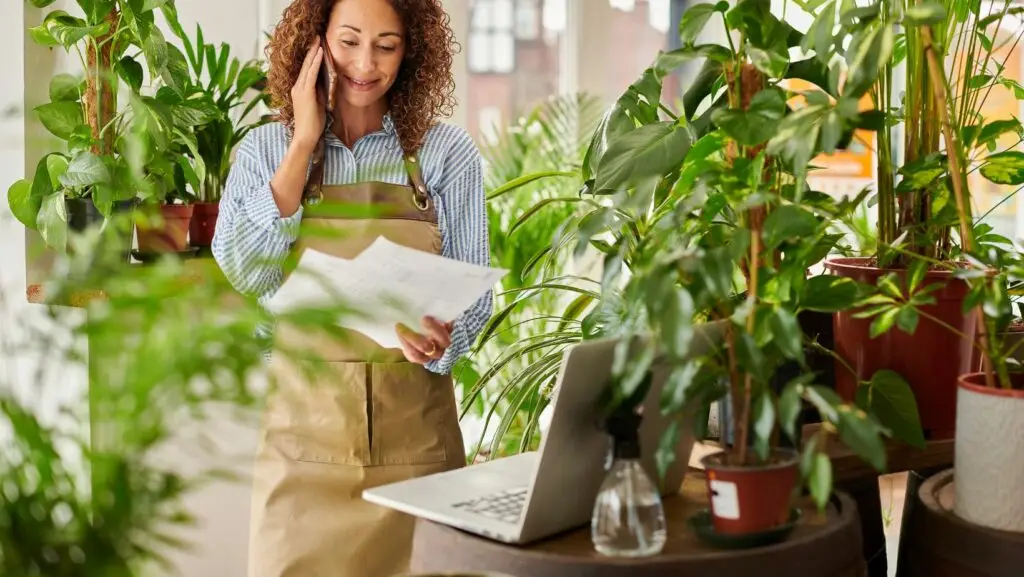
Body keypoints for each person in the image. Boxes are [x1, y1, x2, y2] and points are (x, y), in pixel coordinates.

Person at [210, 0, 492, 574]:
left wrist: (445, 339)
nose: (367, 64)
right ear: (314, 44)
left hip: (418, 461)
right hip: (300, 458)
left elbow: (475, 296)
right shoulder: (265, 151)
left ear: (411, 51)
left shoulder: (444, 154)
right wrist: (302, 145)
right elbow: (245, 271)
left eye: (386, 45)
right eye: (349, 42)